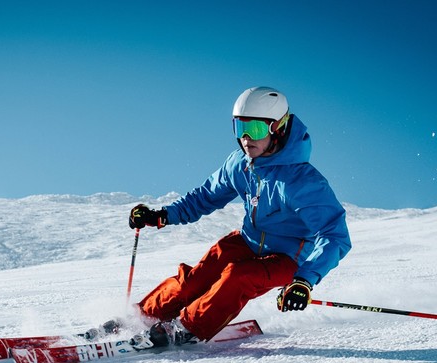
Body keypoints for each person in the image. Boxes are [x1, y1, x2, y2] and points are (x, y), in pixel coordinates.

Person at [127, 86, 351, 348]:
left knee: (239, 276)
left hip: (288, 258)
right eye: (240, 127)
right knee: (196, 279)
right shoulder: (239, 164)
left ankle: (186, 328)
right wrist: (162, 215)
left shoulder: (302, 182)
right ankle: (142, 317)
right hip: (247, 241)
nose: (245, 138)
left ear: (277, 128)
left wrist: (304, 280)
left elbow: (334, 235)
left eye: (254, 129)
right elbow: (204, 197)